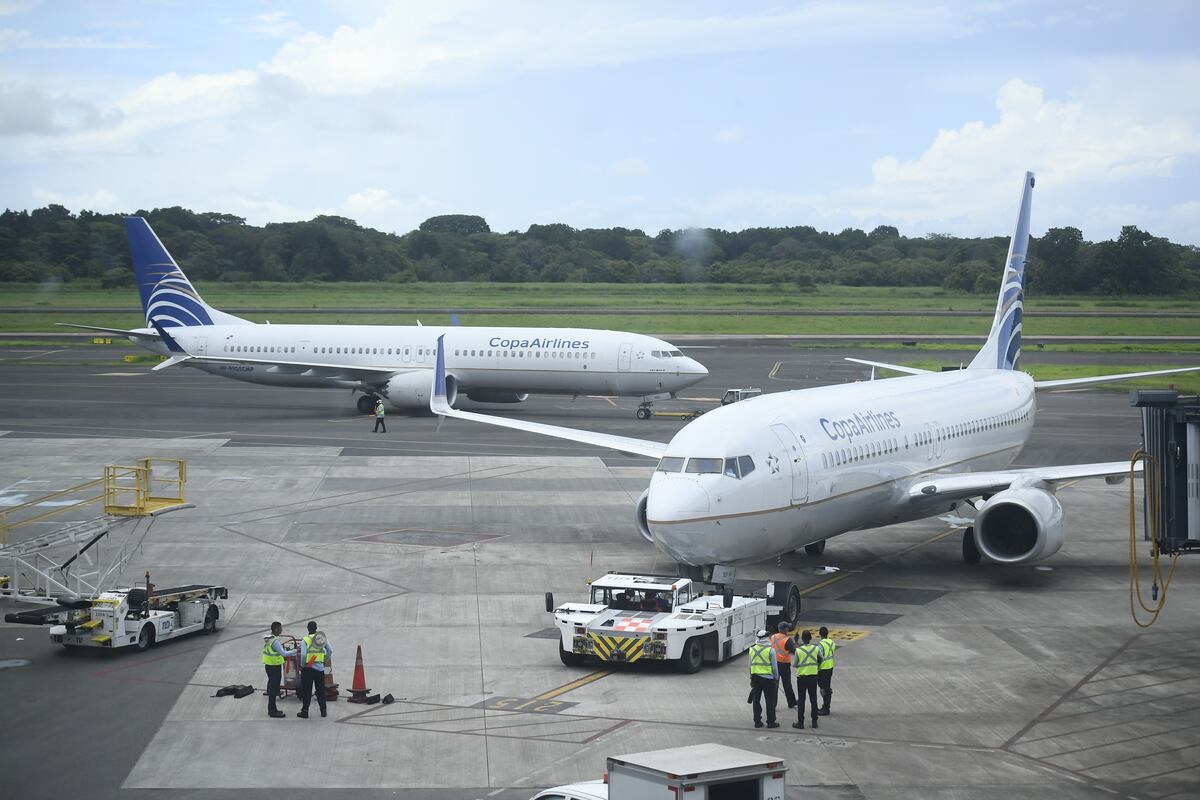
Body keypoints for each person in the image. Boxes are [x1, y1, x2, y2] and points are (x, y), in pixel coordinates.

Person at [262, 621, 296, 719]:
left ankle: (272, 709)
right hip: (274, 667)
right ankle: (272, 711)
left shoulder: (270, 639)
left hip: (269, 666)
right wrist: (294, 651)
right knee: (273, 689)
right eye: (280, 628)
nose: (282, 630)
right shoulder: (275, 641)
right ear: (276, 629)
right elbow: (283, 653)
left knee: (273, 688)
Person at [298, 620, 332, 719]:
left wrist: (303, 665)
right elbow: (330, 650)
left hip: (308, 668)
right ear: (316, 628)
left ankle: (305, 712)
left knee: (307, 691)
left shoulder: (305, 640)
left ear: (308, 628)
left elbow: (304, 655)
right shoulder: (322, 638)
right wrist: (324, 660)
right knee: (320, 690)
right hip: (320, 669)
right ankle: (323, 711)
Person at [747, 628, 780, 729]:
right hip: (768, 679)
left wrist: (751, 677)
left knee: (756, 700)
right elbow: (774, 667)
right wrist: (776, 678)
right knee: (770, 701)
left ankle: (757, 722)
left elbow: (750, 665)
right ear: (766, 638)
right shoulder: (771, 650)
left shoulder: (752, 649)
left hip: (756, 678)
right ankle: (771, 722)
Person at [792, 629, 823, 730]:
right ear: (810, 638)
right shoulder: (816, 649)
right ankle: (814, 721)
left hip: (802, 677)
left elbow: (795, 664)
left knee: (801, 700)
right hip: (813, 676)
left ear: (802, 639)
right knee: (813, 699)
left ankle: (800, 722)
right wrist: (815, 667)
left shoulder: (798, 650)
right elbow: (821, 659)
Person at [770, 622, 798, 709]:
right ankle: (791, 702)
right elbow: (795, 651)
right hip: (784, 665)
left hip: (774, 663)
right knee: (787, 685)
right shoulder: (787, 639)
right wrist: (796, 641)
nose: (788, 630)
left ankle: (773, 704)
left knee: (774, 685)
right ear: (784, 629)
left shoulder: (773, 637)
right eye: (787, 628)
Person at [817, 626, 837, 716]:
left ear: (820, 634)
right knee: (826, 687)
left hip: (823, 669)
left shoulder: (820, 644)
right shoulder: (832, 642)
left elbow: (819, 658)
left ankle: (826, 708)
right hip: (830, 667)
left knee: (823, 688)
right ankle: (826, 705)